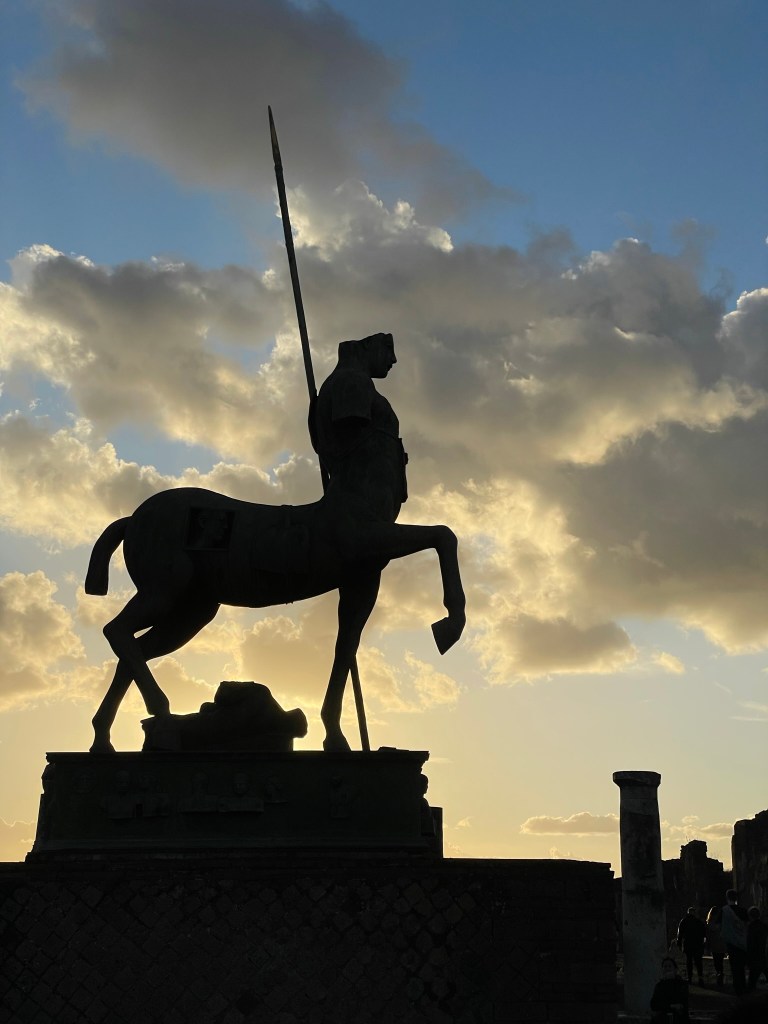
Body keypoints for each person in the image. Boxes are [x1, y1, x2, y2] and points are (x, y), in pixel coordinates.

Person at [721, 889, 750, 995]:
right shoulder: (743, 911)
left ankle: (737, 987)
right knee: (741, 966)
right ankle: (743, 985)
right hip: (742, 942)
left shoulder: (724, 911)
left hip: (731, 943)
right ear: (736, 898)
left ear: (727, 898)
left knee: (734, 966)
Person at [650, 956, 689, 1023]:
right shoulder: (659, 985)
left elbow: (681, 1002)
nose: (667, 968)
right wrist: (671, 1006)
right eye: (665, 966)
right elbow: (654, 1005)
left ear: (675, 969)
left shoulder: (682, 984)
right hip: (662, 1018)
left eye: (670, 966)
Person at [676, 906, 706, 985]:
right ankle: (700, 977)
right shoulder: (698, 922)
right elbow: (704, 933)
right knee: (698, 961)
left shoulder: (684, 921)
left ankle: (690, 977)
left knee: (689, 961)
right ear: (694, 913)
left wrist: (679, 943)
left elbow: (680, 933)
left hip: (688, 944)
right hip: (697, 944)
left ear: (688, 912)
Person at [746, 906, 768, 992]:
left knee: (752, 981)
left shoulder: (751, 927)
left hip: (755, 957)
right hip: (763, 955)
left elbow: (750, 943)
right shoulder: (764, 926)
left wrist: (748, 958)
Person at [707, 905, 727, 988]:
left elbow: (708, 934)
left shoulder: (710, 922)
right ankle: (720, 973)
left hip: (714, 944)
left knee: (716, 961)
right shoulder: (722, 921)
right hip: (721, 944)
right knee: (720, 961)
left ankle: (719, 973)